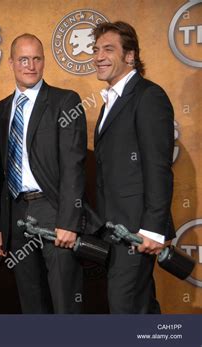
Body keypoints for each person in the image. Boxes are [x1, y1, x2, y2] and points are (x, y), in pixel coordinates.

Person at [0, 33, 89, 314]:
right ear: (11, 62)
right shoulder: (1, 109)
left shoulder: (65, 102)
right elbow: (1, 170)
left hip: (53, 210)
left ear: (44, 61)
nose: (30, 65)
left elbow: (74, 167)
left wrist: (69, 221)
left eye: (37, 58)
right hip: (17, 212)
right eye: (23, 59)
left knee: (64, 298)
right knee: (31, 302)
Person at [92, 21, 174, 313]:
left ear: (130, 55)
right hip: (114, 228)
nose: (99, 56)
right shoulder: (110, 103)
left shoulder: (148, 96)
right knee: (140, 306)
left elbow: (158, 166)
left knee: (125, 307)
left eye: (108, 49)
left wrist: (153, 228)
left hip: (138, 229)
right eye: (96, 49)